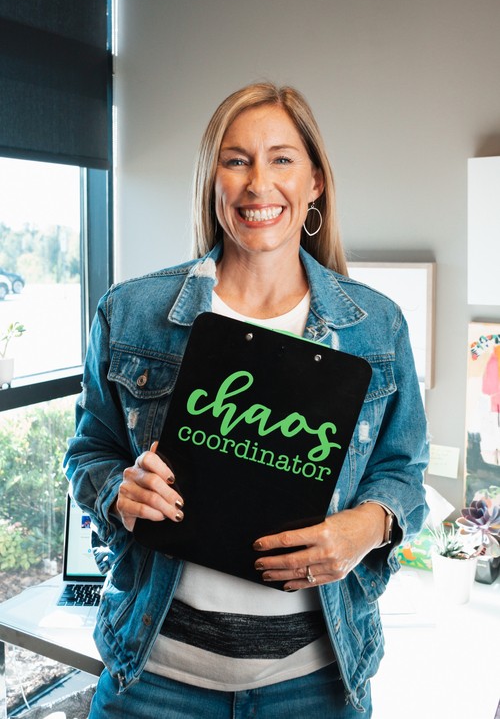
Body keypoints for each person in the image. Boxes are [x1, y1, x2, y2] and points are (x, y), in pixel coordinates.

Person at [64, 82, 429, 718]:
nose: (259, 184)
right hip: (152, 681)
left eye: (281, 159)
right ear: (214, 182)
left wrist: (366, 527)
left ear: (315, 182)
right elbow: (88, 452)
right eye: (237, 161)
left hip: (316, 685)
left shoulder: (377, 326)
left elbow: (402, 471)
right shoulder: (130, 313)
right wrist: (118, 491)